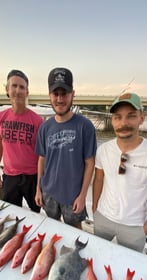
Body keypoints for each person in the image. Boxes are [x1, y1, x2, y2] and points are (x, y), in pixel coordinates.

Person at [92, 92, 147, 252]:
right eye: (117, 117)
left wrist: (146, 228)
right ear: (112, 120)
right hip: (103, 218)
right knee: (97, 255)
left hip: (134, 226)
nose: (123, 123)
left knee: (128, 268)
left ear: (141, 118)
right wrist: (95, 209)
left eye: (131, 116)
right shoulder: (104, 149)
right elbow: (99, 180)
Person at [35, 67, 97, 228]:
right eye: (56, 94)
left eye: (65, 94)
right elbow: (41, 159)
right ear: (49, 95)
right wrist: (38, 189)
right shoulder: (45, 127)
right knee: (53, 227)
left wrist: (83, 195)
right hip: (49, 192)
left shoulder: (85, 126)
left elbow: (90, 163)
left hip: (73, 194)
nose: (60, 99)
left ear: (73, 94)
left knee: (76, 231)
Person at [0, 69, 43, 212]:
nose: (18, 90)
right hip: (10, 176)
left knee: (35, 213)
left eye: (22, 87)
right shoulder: (0, 117)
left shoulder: (37, 121)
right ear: (7, 89)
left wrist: (40, 183)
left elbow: (42, 156)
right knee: (10, 212)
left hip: (32, 177)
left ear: (27, 92)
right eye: (14, 86)